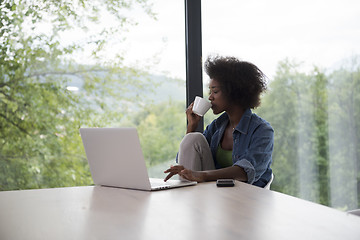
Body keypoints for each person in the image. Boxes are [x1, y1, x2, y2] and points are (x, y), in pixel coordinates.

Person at [164, 55, 274, 187]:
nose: (210, 97)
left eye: (215, 91)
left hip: (247, 197)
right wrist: (192, 126)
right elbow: (186, 158)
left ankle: (190, 204)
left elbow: (246, 172)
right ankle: (190, 204)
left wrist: (201, 175)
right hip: (215, 194)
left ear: (234, 92)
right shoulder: (217, 126)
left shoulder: (262, 130)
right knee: (194, 138)